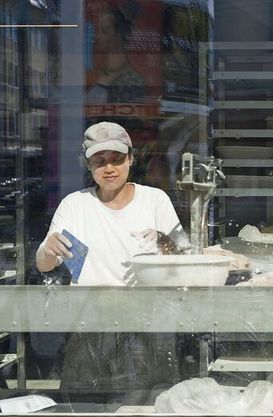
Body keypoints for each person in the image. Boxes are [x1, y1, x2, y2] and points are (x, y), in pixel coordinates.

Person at [35, 121, 186, 390]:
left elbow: (183, 258)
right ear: (88, 164)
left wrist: (165, 241)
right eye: (99, 161)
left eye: (117, 159)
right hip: (91, 325)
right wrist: (49, 249)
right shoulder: (75, 205)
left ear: (131, 158)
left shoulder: (155, 200)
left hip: (147, 326)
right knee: (83, 403)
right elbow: (45, 264)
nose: (109, 169)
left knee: (147, 402)